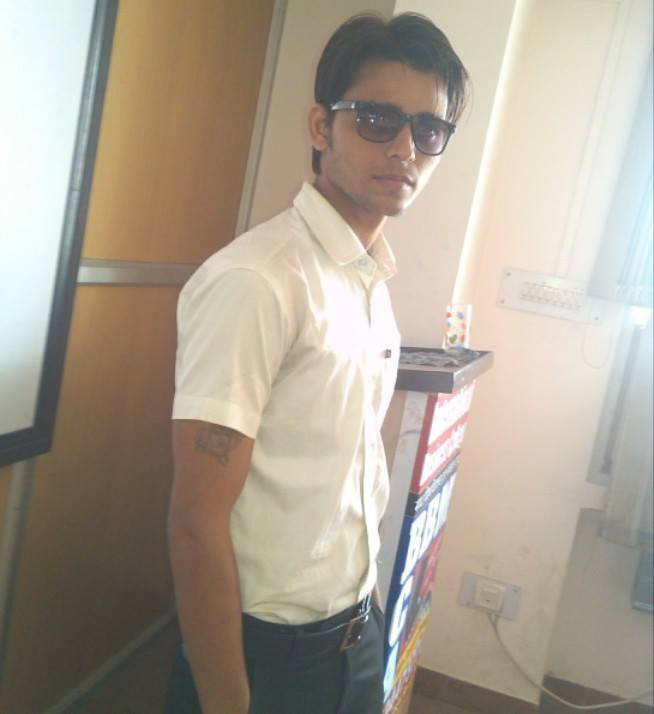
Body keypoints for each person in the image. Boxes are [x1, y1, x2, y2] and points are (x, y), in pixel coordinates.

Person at [165, 11, 468, 714]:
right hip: (266, 656)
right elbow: (195, 521)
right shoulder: (259, 280)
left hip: (355, 634)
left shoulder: (367, 279)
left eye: (429, 130)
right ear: (320, 126)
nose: (405, 148)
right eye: (376, 119)